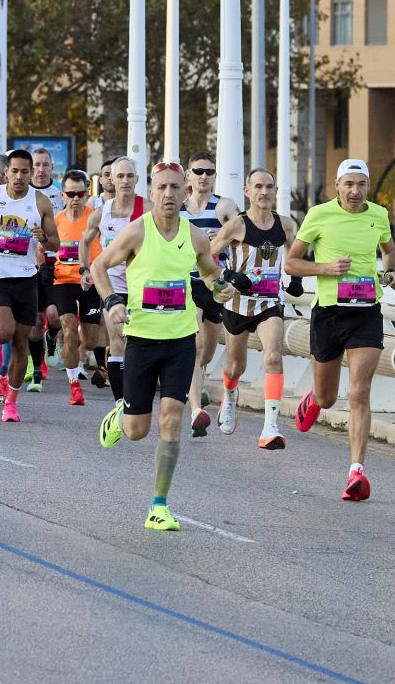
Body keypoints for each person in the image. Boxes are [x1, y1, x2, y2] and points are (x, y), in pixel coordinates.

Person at [89, 162, 233, 532]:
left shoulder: (195, 236)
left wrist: (221, 287)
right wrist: (111, 302)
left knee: (172, 418)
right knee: (138, 431)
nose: (168, 194)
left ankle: (159, 505)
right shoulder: (136, 232)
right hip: (142, 339)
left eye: (175, 187)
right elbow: (99, 266)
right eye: (161, 188)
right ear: (150, 193)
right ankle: (122, 416)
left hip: (181, 339)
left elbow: (210, 272)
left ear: (186, 193)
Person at [287, 159, 395, 502]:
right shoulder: (318, 215)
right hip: (329, 314)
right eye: (348, 184)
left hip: (366, 312)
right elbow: (291, 262)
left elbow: (389, 251)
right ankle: (314, 400)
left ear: (368, 187)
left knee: (359, 391)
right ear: (337, 186)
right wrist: (326, 268)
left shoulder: (378, 215)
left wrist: (391, 271)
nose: (354, 191)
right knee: (328, 397)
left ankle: (356, 472)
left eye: (360, 184)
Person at [0, 147, 59, 423]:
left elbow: (56, 243)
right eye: (14, 171)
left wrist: (43, 236)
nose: (19, 177)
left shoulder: (41, 202)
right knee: (5, 330)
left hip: (26, 278)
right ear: (6, 172)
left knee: (22, 341)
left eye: (24, 172)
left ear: (32, 173)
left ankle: (10, 401)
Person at [212, 168, 296, 450]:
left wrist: (294, 280)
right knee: (236, 367)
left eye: (269, 186)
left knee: (273, 357)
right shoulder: (237, 225)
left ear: (275, 190)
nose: (264, 191)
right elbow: (205, 255)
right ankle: (229, 395)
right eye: (258, 186)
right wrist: (229, 275)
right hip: (238, 303)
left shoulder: (286, 225)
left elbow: (294, 257)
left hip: (269, 302)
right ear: (247, 191)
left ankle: (270, 426)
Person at [182, 150, 240, 435]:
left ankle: (193, 385)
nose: (204, 177)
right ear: (188, 175)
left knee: (207, 350)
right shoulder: (178, 209)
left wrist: (224, 237)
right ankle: (196, 411)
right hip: (188, 281)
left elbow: (244, 231)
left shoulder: (224, 207)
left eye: (209, 172)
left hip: (217, 283)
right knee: (193, 346)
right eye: (199, 171)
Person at [48, 168, 96, 406]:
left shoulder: (95, 217)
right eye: (71, 194)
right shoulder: (55, 221)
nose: (76, 199)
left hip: (90, 282)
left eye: (80, 194)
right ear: (63, 195)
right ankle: (75, 386)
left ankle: (72, 350)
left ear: (86, 194)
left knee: (89, 340)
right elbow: (43, 249)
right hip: (63, 281)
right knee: (69, 330)